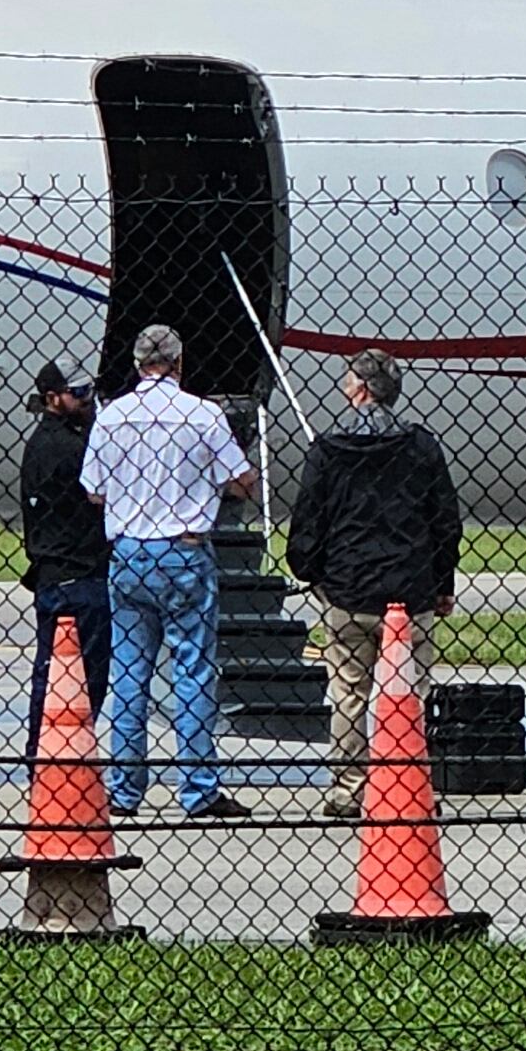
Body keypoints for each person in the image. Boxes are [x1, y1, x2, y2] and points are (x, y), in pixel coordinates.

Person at [78, 322, 259, 820]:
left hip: (129, 550)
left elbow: (94, 490)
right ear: (180, 363)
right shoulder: (203, 415)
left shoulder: (112, 416)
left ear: (137, 364)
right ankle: (199, 788)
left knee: (130, 673)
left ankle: (124, 788)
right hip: (183, 548)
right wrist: (203, 483)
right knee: (193, 669)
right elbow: (242, 482)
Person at [280, 346, 465, 817]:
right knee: (410, 694)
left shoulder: (329, 448)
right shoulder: (421, 446)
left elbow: (309, 518)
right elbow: (445, 519)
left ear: (360, 390)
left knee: (348, 690)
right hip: (410, 587)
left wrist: (313, 571)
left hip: (349, 587)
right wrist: (442, 580)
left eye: (347, 381)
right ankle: (408, 783)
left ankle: (349, 787)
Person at [15, 359, 110, 736]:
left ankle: (44, 753)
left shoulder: (42, 443)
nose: (90, 401)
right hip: (80, 572)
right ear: (53, 399)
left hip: (54, 574)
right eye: (80, 393)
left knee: (53, 673)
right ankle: (66, 750)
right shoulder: (71, 449)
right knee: (86, 675)